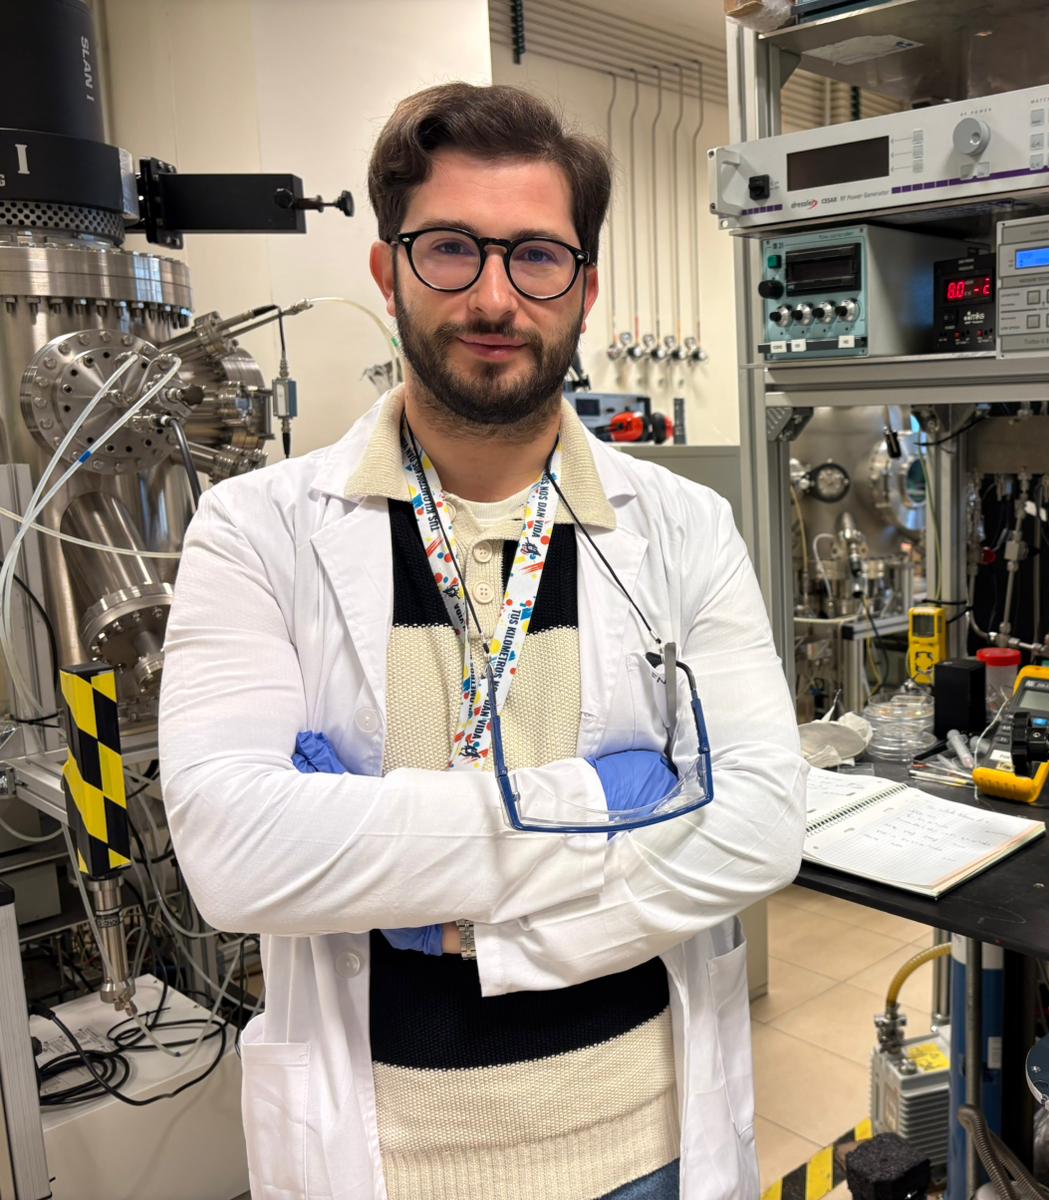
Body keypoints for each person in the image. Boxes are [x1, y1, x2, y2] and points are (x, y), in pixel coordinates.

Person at [158, 81, 806, 1200]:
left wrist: (461, 923)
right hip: (385, 1164)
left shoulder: (686, 526)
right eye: (452, 248)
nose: (496, 297)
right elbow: (235, 854)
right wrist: (608, 802)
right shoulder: (256, 530)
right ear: (388, 270)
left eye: (537, 256)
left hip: (646, 1146)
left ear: (585, 288)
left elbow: (758, 830)